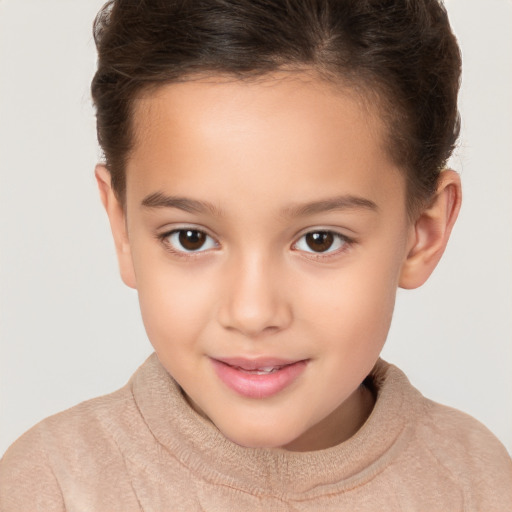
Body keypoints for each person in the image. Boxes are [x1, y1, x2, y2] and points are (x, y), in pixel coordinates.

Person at [1, 0, 511, 510]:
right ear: (123, 229)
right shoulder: (51, 488)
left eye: (319, 240)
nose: (252, 312)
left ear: (423, 232)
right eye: (191, 238)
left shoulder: (478, 484)